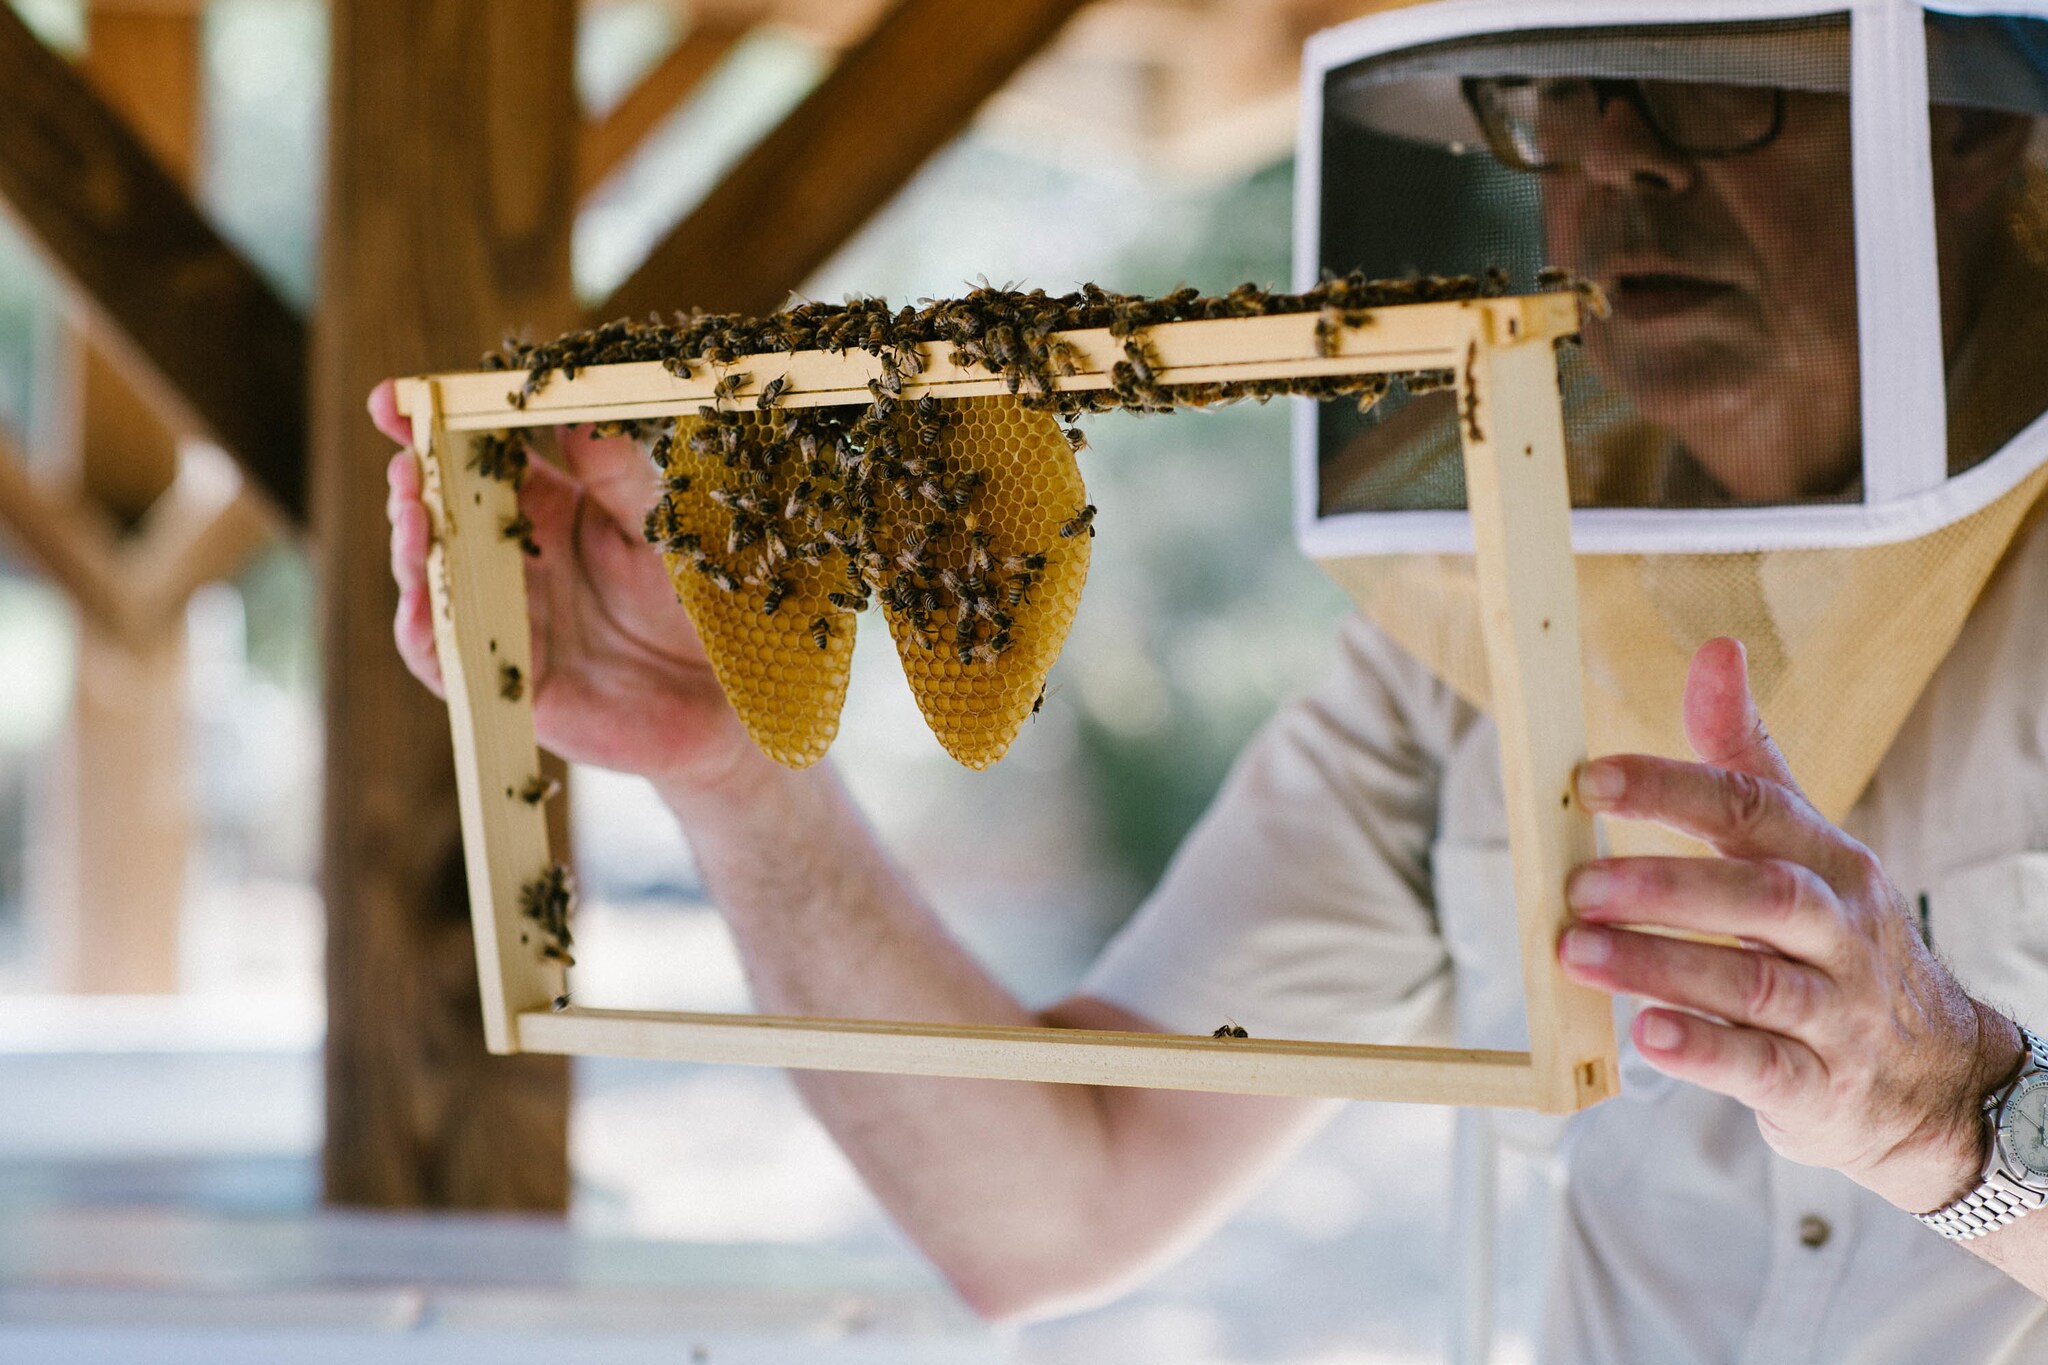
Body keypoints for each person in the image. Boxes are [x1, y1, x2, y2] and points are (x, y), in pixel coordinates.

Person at [374, 30, 2048, 1360]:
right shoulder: (1467, 629)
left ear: (1972, 119)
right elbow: (1050, 1208)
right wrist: (730, 768)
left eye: (1723, 74)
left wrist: (1955, 1111)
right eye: (1558, 83)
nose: (1617, 149)